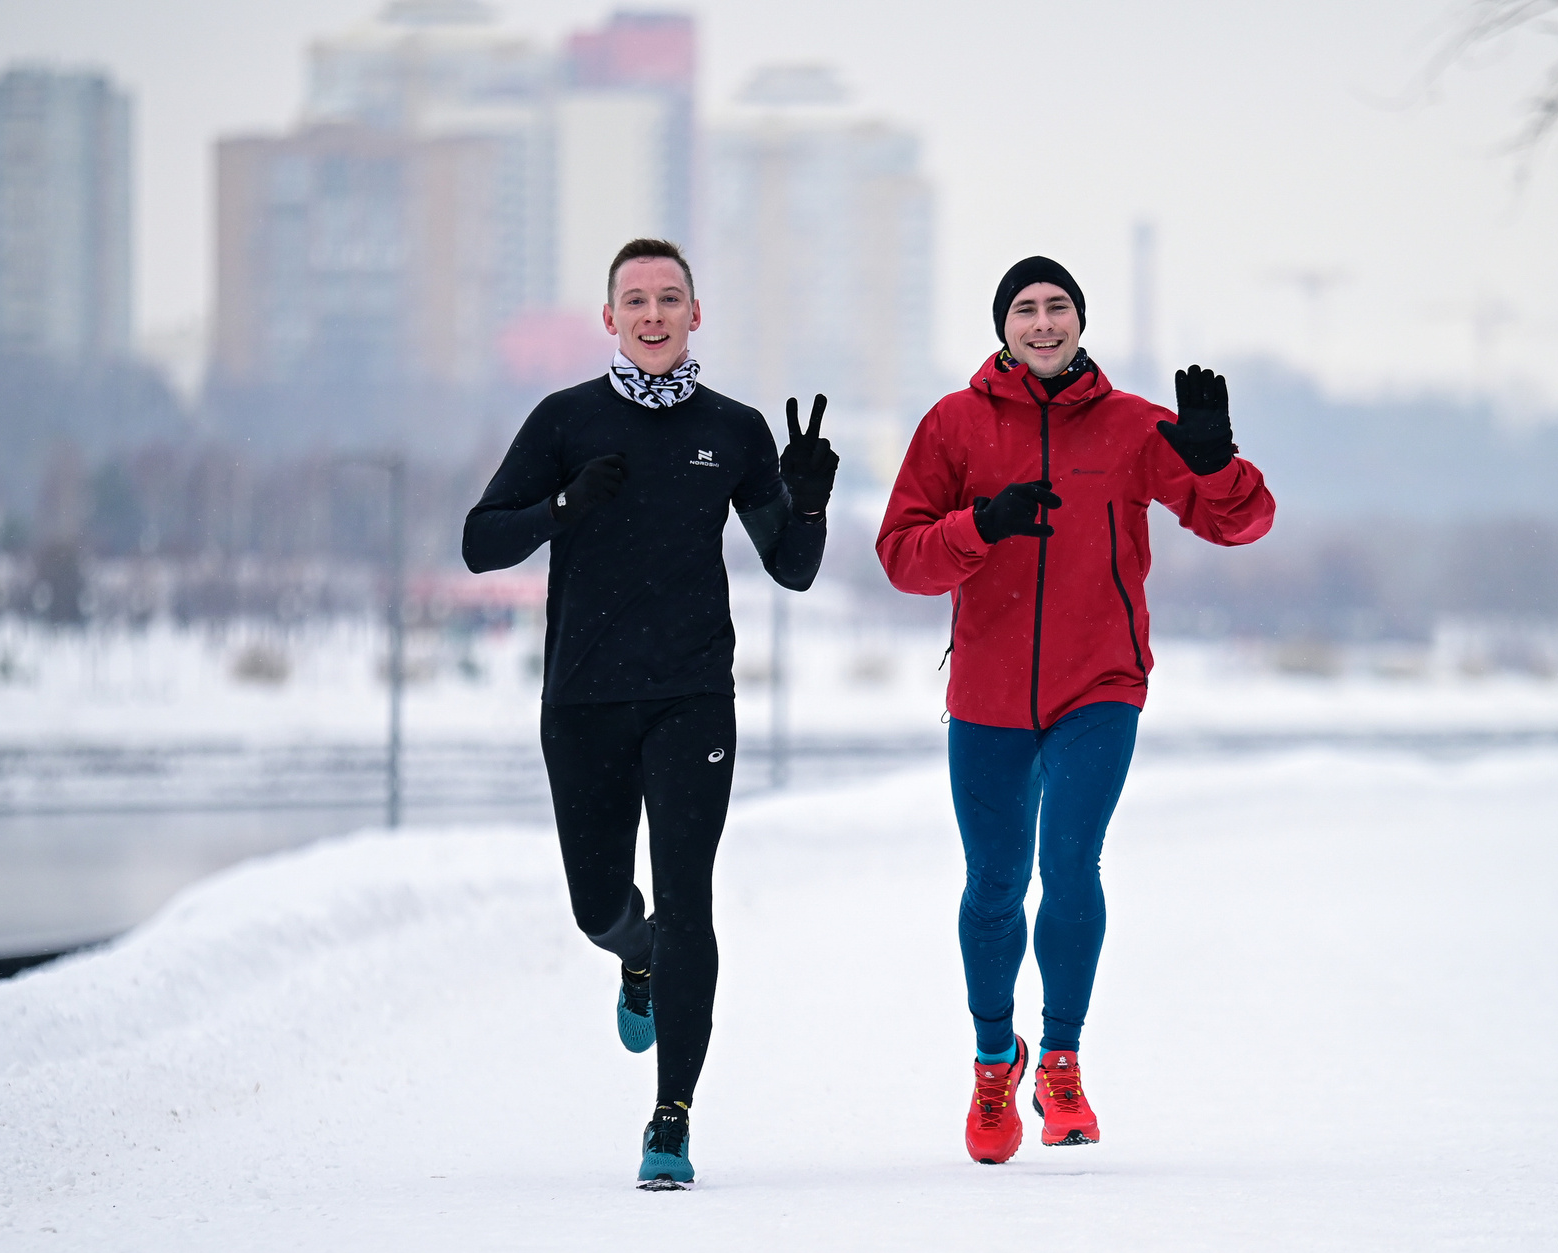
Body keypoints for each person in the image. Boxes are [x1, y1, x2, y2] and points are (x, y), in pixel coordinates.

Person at [878, 256, 1275, 1165]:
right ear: (1002, 327)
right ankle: (994, 1060)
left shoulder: (1135, 425)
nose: (1043, 322)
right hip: (988, 693)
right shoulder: (953, 424)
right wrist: (982, 525)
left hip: (1101, 684)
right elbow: (901, 557)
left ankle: (1061, 1059)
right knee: (993, 884)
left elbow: (1241, 523)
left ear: (1081, 321)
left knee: (1069, 864)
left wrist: (1217, 465)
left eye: (1059, 306)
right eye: (1025, 309)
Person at [462, 237, 838, 1190]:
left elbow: (792, 569)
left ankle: (671, 1117)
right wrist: (562, 505)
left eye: (670, 298)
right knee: (598, 907)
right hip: (583, 699)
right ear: (609, 318)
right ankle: (634, 957)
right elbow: (479, 544)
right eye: (636, 300)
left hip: (692, 699)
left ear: (695, 314)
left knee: (687, 900)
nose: (653, 314)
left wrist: (808, 504)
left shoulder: (735, 430)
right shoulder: (565, 419)